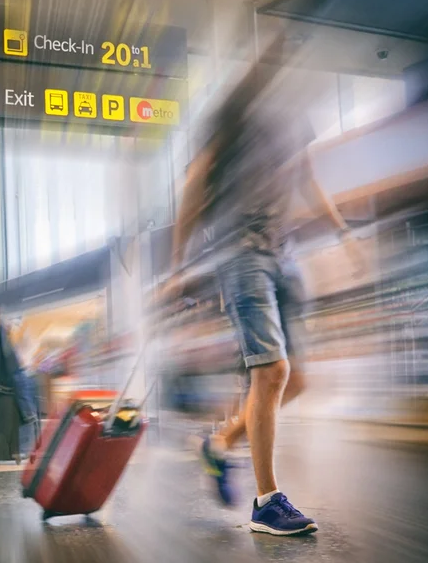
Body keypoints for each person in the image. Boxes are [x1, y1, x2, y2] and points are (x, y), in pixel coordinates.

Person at [164, 38, 364, 536]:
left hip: (282, 252)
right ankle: (266, 503)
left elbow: (306, 176)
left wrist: (344, 234)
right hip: (239, 253)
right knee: (272, 370)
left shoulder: (294, 114)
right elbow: (196, 178)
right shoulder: (231, 110)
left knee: (293, 380)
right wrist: (176, 264)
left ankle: (219, 443)